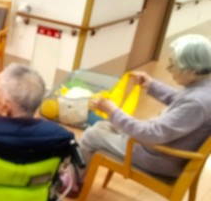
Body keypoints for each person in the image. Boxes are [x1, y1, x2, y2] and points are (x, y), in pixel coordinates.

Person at [75, 34, 211, 192]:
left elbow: (150, 134)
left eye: (173, 66)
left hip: (159, 157)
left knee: (92, 135)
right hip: (164, 150)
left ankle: (73, 183)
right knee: (102, 125)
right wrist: (152, 85)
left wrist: (113, 111)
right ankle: (76, 174)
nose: (169, 70)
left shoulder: (197, 102)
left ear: (192, 70)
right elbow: (180, 101)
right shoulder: (204, 87)